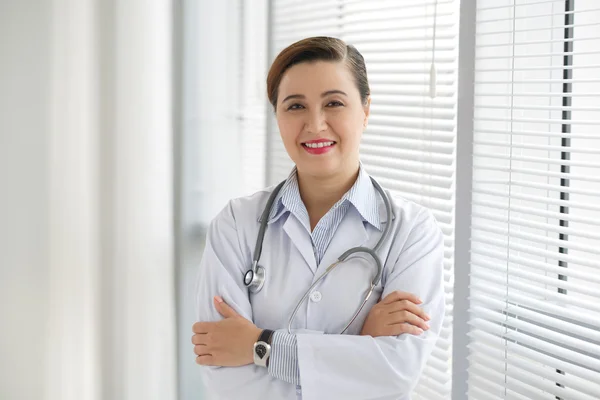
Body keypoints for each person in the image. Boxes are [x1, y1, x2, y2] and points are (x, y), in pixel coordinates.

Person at [191, 36, 445, 400]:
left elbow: (396, 373)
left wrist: (259, 346)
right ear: (277, 115)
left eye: (334, 103)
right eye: (295, 106)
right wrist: (358, 346)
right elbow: (225, 378)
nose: (315, 124)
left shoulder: (413, 232)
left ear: (366, 110)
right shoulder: (235, 224)